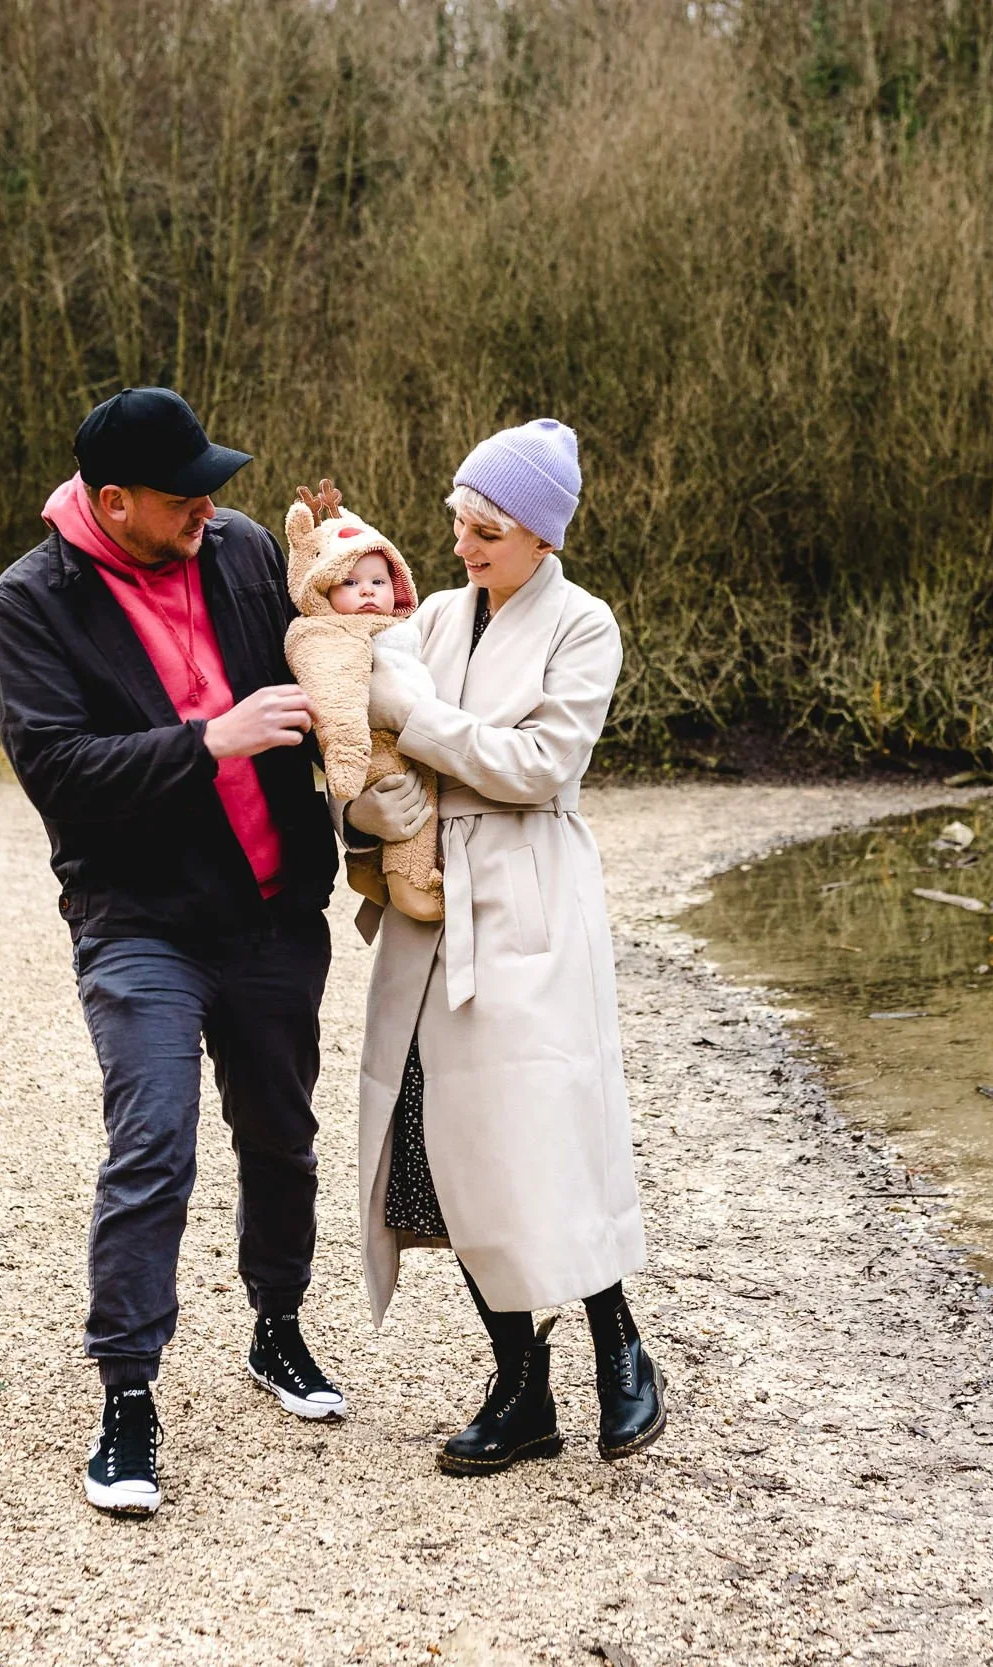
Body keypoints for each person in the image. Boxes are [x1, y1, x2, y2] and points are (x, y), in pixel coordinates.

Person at [0, 388, 433, 1516]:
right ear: (112, 501)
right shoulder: (29, 603)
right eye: (184, 495)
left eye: (212, 489)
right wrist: (208, 741)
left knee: (281, 1136)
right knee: (153, 1142)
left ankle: (277, 1325)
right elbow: (59, 771)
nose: (209, 509)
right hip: (137, 922)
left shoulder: (236, 550)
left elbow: (335, 648)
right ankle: (127, 1396)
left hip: (274, 914)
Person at [354, 418, 667, 1474]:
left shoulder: (585, 624)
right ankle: (519, 1385)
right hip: (432, 907)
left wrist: (413, 718)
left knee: (545, 1133)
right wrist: (365, 808)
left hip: (530, 905)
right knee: (447, 1151)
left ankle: (620, 1347)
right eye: (459, 522)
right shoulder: (435, 617)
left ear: (541, 534)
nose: (462, 545)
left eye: (485, 529)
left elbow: (539, 765)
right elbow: (370, 737)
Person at [280, 481, 443, 923]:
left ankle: (370, 867)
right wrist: (347, 765)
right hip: (378, 751)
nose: (368, 591)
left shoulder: (402, 626)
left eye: (378, 581)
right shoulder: (331, 635)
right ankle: (416, 890)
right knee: (412, 817)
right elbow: (337, 699)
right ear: (321, 589)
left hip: (411, 745)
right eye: (349, 582)